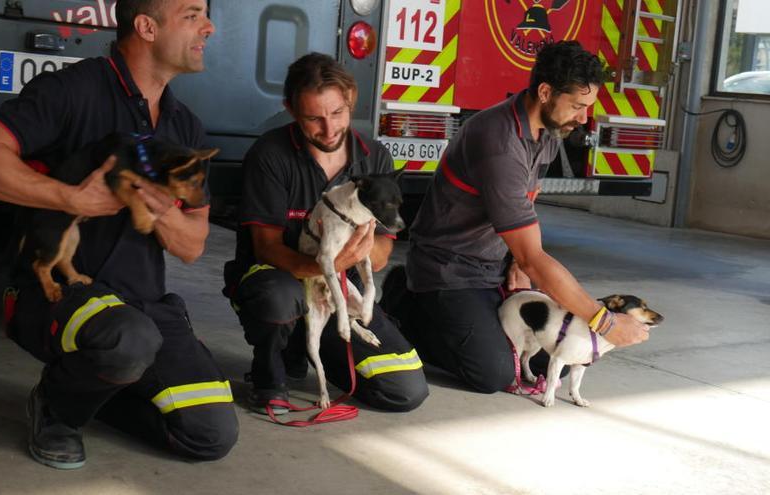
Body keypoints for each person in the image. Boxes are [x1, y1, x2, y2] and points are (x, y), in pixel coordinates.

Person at [0, 0, 238, 469]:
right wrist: (72, 199)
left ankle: (99, 392)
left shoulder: (183, 125)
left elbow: (192, 245)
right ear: (147, 27)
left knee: (211, 434)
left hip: (144, 304)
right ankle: (57, 409)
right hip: (58, 292)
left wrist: (156, 205)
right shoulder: (71, 90)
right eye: (192, 15)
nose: (208, 27)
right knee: (128, 340)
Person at [381, 41, 651, 394]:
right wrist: (603, 321)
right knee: (493, 373)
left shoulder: (549, 131)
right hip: (449, 272)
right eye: (578, 106)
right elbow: (535, 256)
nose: (584, 118)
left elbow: (526, 210)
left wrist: (518, 267)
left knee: (554, 357)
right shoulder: (499, 143)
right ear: (544, 92)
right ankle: (408, 307)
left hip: (491, 266)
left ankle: (459, 316)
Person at [223, 52, 429, 415]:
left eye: (337, 113)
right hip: (279, 279)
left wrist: (356, 263)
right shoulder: (270, 154)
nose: (329, 129)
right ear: (290, 109)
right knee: (278, 296)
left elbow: (381, 252)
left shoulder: (375, 158)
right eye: (313, 118)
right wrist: (329, 263)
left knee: (405, 389)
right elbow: (265, 247)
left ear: (350, 97)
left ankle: (309, 345)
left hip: (337, 291)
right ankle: (270, 371)